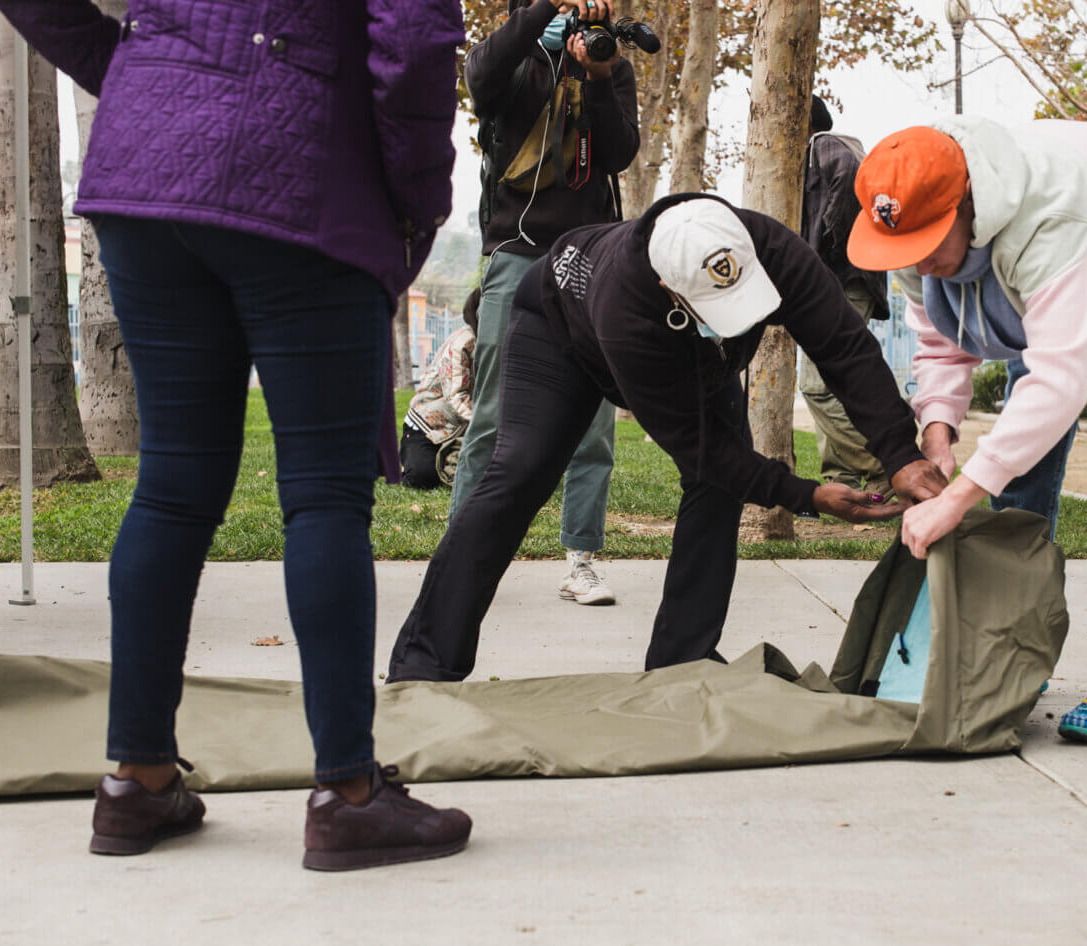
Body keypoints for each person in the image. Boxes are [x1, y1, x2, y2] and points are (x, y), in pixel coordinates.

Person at [0, 0, 473, 870]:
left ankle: (135, 783)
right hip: (304, 170)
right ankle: (349, 795)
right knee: (325, 495)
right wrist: (415, 201)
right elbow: (411, 40)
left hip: (146, 171)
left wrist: (147, 78)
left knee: (171, 489)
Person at [387, 196, 950, 684]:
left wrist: (899, 454)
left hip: (693, 355)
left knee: (715, 490)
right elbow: (702, 450)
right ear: (667, 285)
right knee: (519, 474)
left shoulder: (770, 248)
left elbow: (844, 348)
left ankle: (683, 661)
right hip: (559, 329)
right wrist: (806, 496)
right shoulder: (625, 311)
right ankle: (425, 664)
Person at [847, 119, 1087, 746]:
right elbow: (939, 344)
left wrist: (960, 497)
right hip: (1049, 276)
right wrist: (938, 435)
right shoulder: (909, 238)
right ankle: (1018, 652)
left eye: (932, 242)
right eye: (907, 248)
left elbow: (1058, 386)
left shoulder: (1046, 215)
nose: (918, 261)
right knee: (1029, 460)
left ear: (969, 208)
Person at [459, 0, 641, 607]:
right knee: (490, 412)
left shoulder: (605, 57)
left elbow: (617, 153)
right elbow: (479, 77)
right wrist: (541, 15)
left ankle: (581, 559)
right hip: (514, 251)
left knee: (593, 424)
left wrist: (597, 73)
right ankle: (464, 549)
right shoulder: (519, 54)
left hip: (588, 255)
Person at [798, 96, 893, 495]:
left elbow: (848, 177)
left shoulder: (825, 144)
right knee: (836, 381)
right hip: (850, 280)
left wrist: (824, 253)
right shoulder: (823, 150)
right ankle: (842, 476)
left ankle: (890, 464)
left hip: (843, 280)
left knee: (817, 384)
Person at [401, 289, 480, 490]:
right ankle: (402, 458)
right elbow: (457, 396)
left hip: (463, 430)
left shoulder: (500, 342)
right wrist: (488, 425)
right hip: (426, 428)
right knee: (422, 478)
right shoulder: (464, 342)